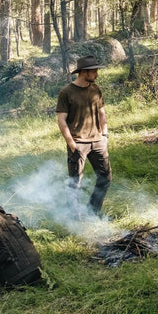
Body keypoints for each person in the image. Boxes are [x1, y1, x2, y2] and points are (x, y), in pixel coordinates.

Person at [56, 55, 112, 219]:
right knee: (75, 183)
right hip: (78, 143)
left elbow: (102, 113)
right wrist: (72, 144)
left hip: (98, 141)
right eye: (94, 71)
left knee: (105, 178)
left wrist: (105, 135)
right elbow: (61, 120)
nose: (97, 74)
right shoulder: (67, 92)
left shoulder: (96, 89)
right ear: (84, 72)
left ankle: (93, 211)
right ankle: (74, 217)